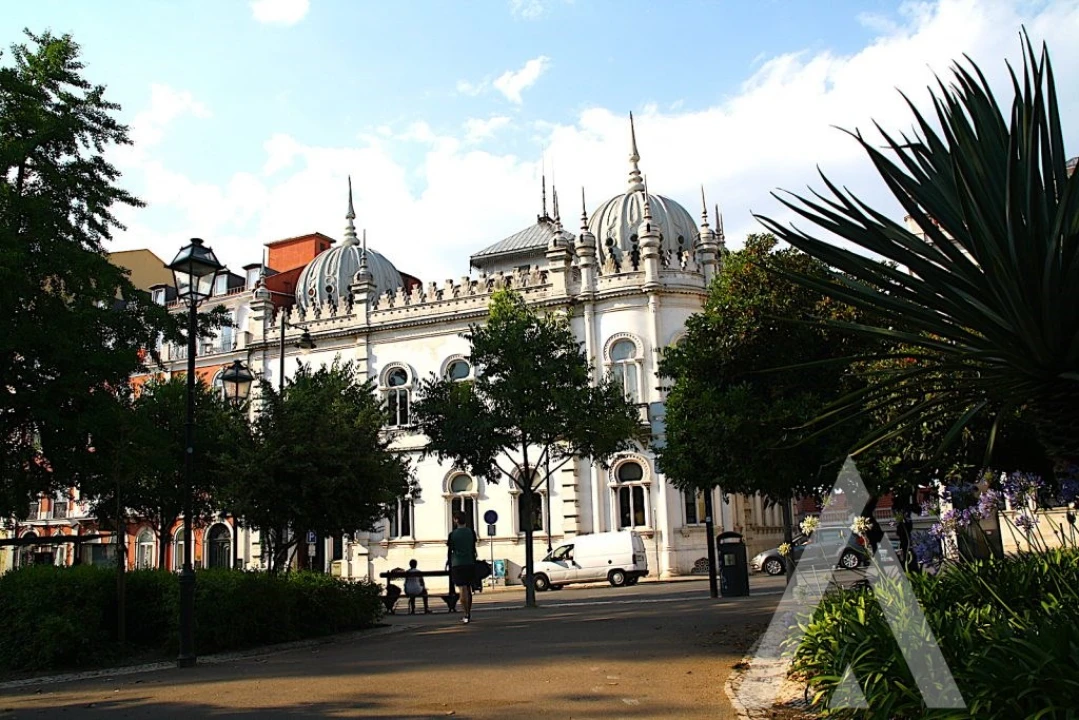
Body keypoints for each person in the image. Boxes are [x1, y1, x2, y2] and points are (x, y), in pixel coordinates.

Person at [447, 510, 478, 624]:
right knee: (468, 589)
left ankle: (465, 614)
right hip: (469, 562)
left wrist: (449, 563)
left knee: (462, 589)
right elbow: (473, 548)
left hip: (457, 563)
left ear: (456, 520)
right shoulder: (471, 532)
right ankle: (468, 612)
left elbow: (450, 550)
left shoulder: (452, 535)